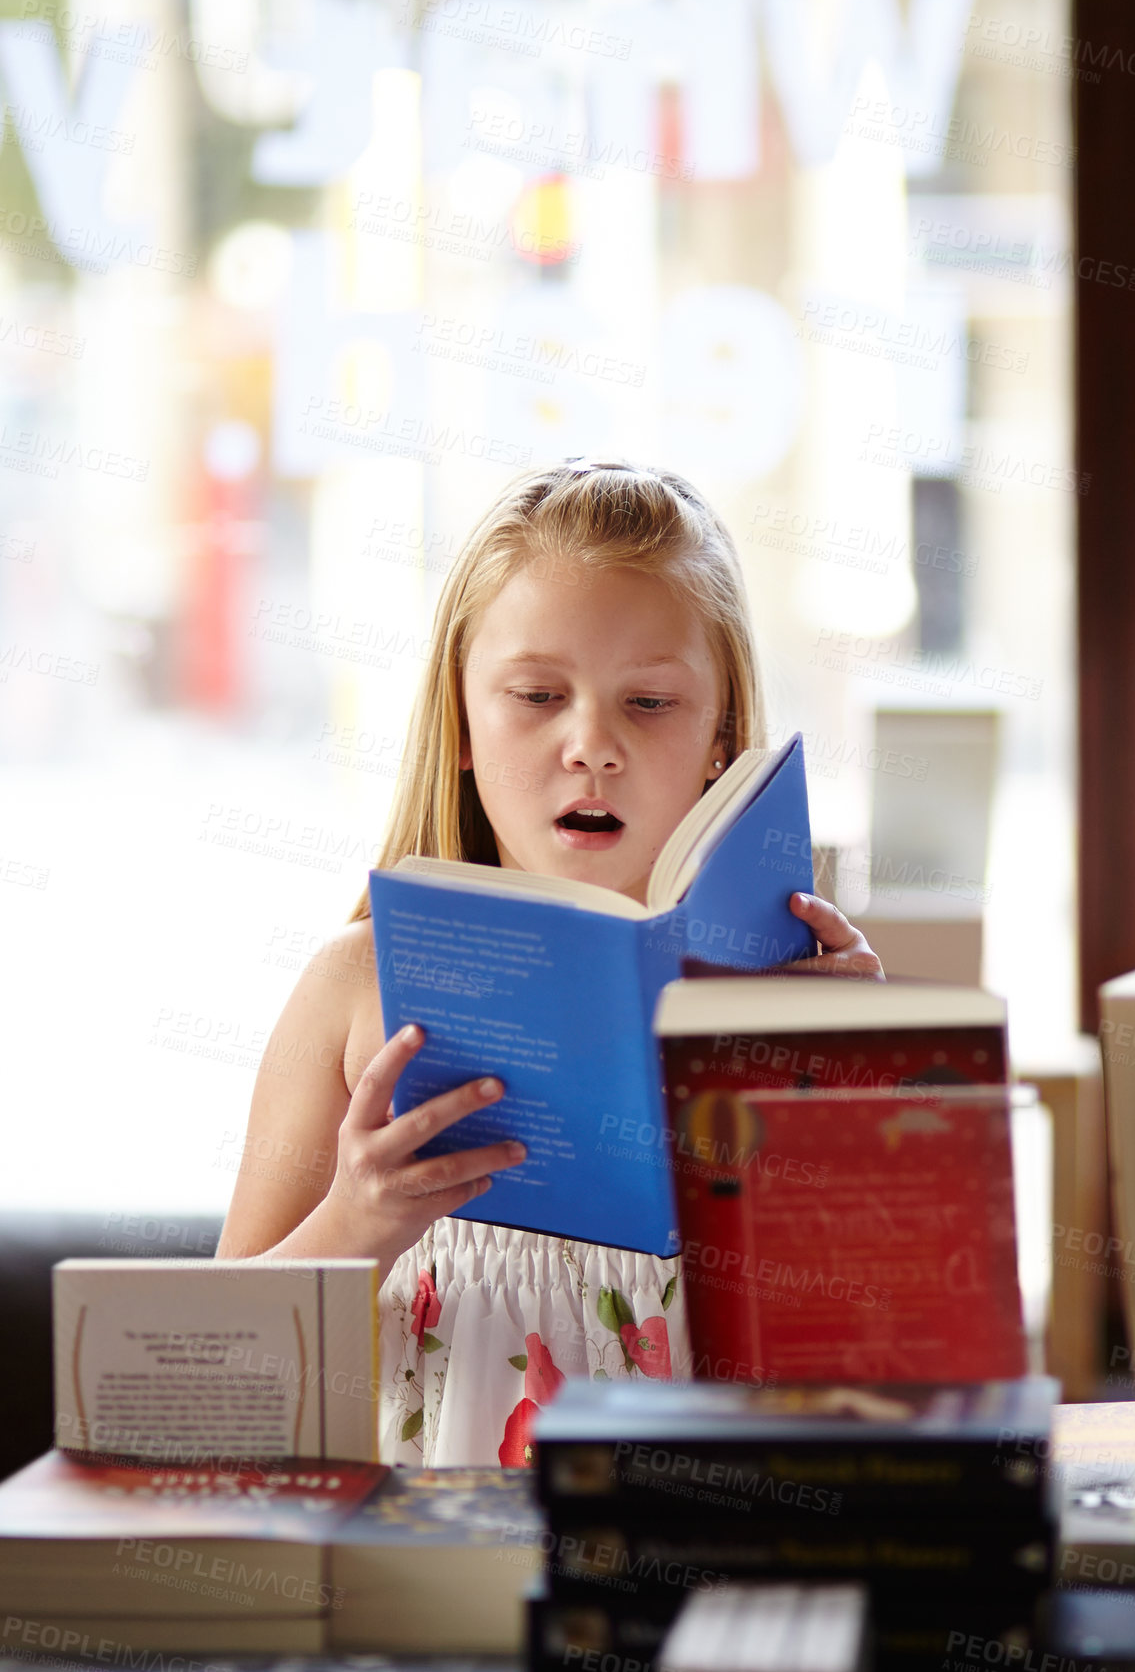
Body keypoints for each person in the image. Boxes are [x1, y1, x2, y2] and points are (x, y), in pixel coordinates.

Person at [217, 459, 881, 1467]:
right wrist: (359, 1217)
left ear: (721, 736)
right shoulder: (352, 991)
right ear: (464, 722)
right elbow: (213, 1360)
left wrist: (858, 1098)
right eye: (536, 694)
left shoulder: (790, 993)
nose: (592, 745)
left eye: (650, 703)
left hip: (705, 1546)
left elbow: (878, 1348)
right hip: (423, 1575)